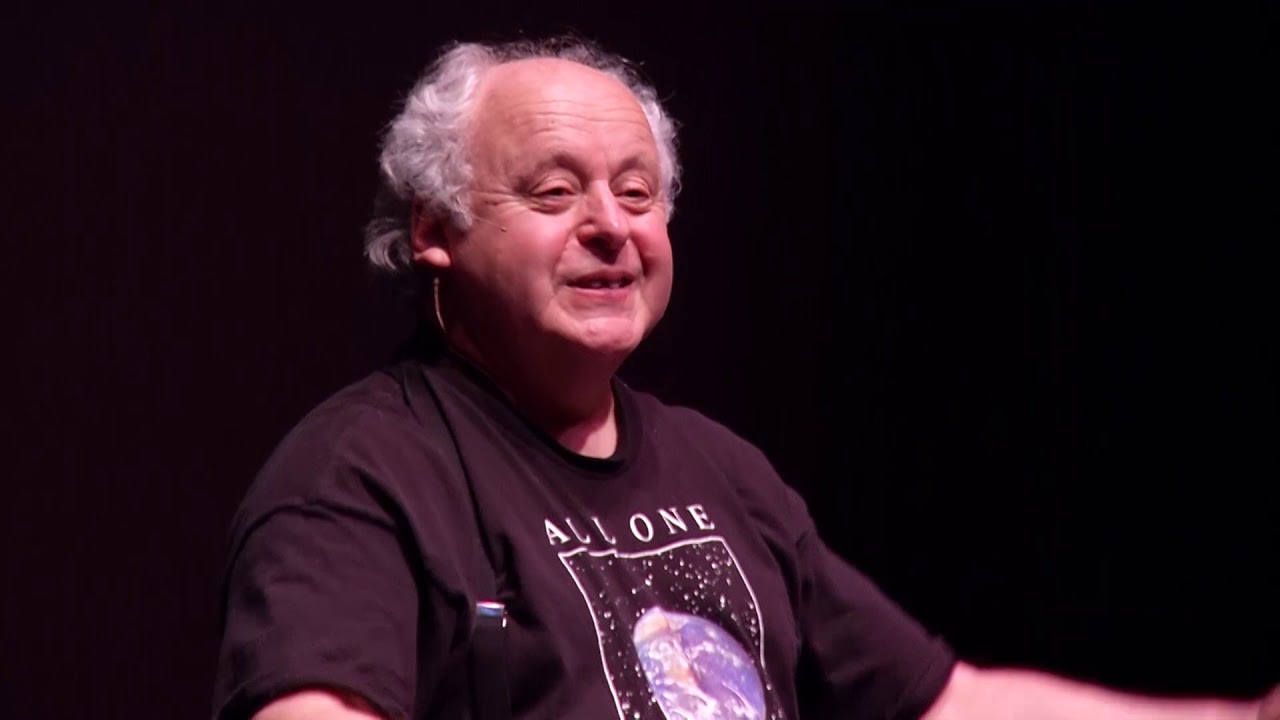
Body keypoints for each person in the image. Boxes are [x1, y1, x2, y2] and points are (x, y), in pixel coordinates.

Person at [211, 36, 1278, 720]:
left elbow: (944, 703)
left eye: (638, 194)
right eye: (554, 192)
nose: (611, 226)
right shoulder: (358, 476)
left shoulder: (722, 471)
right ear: (434, 231)